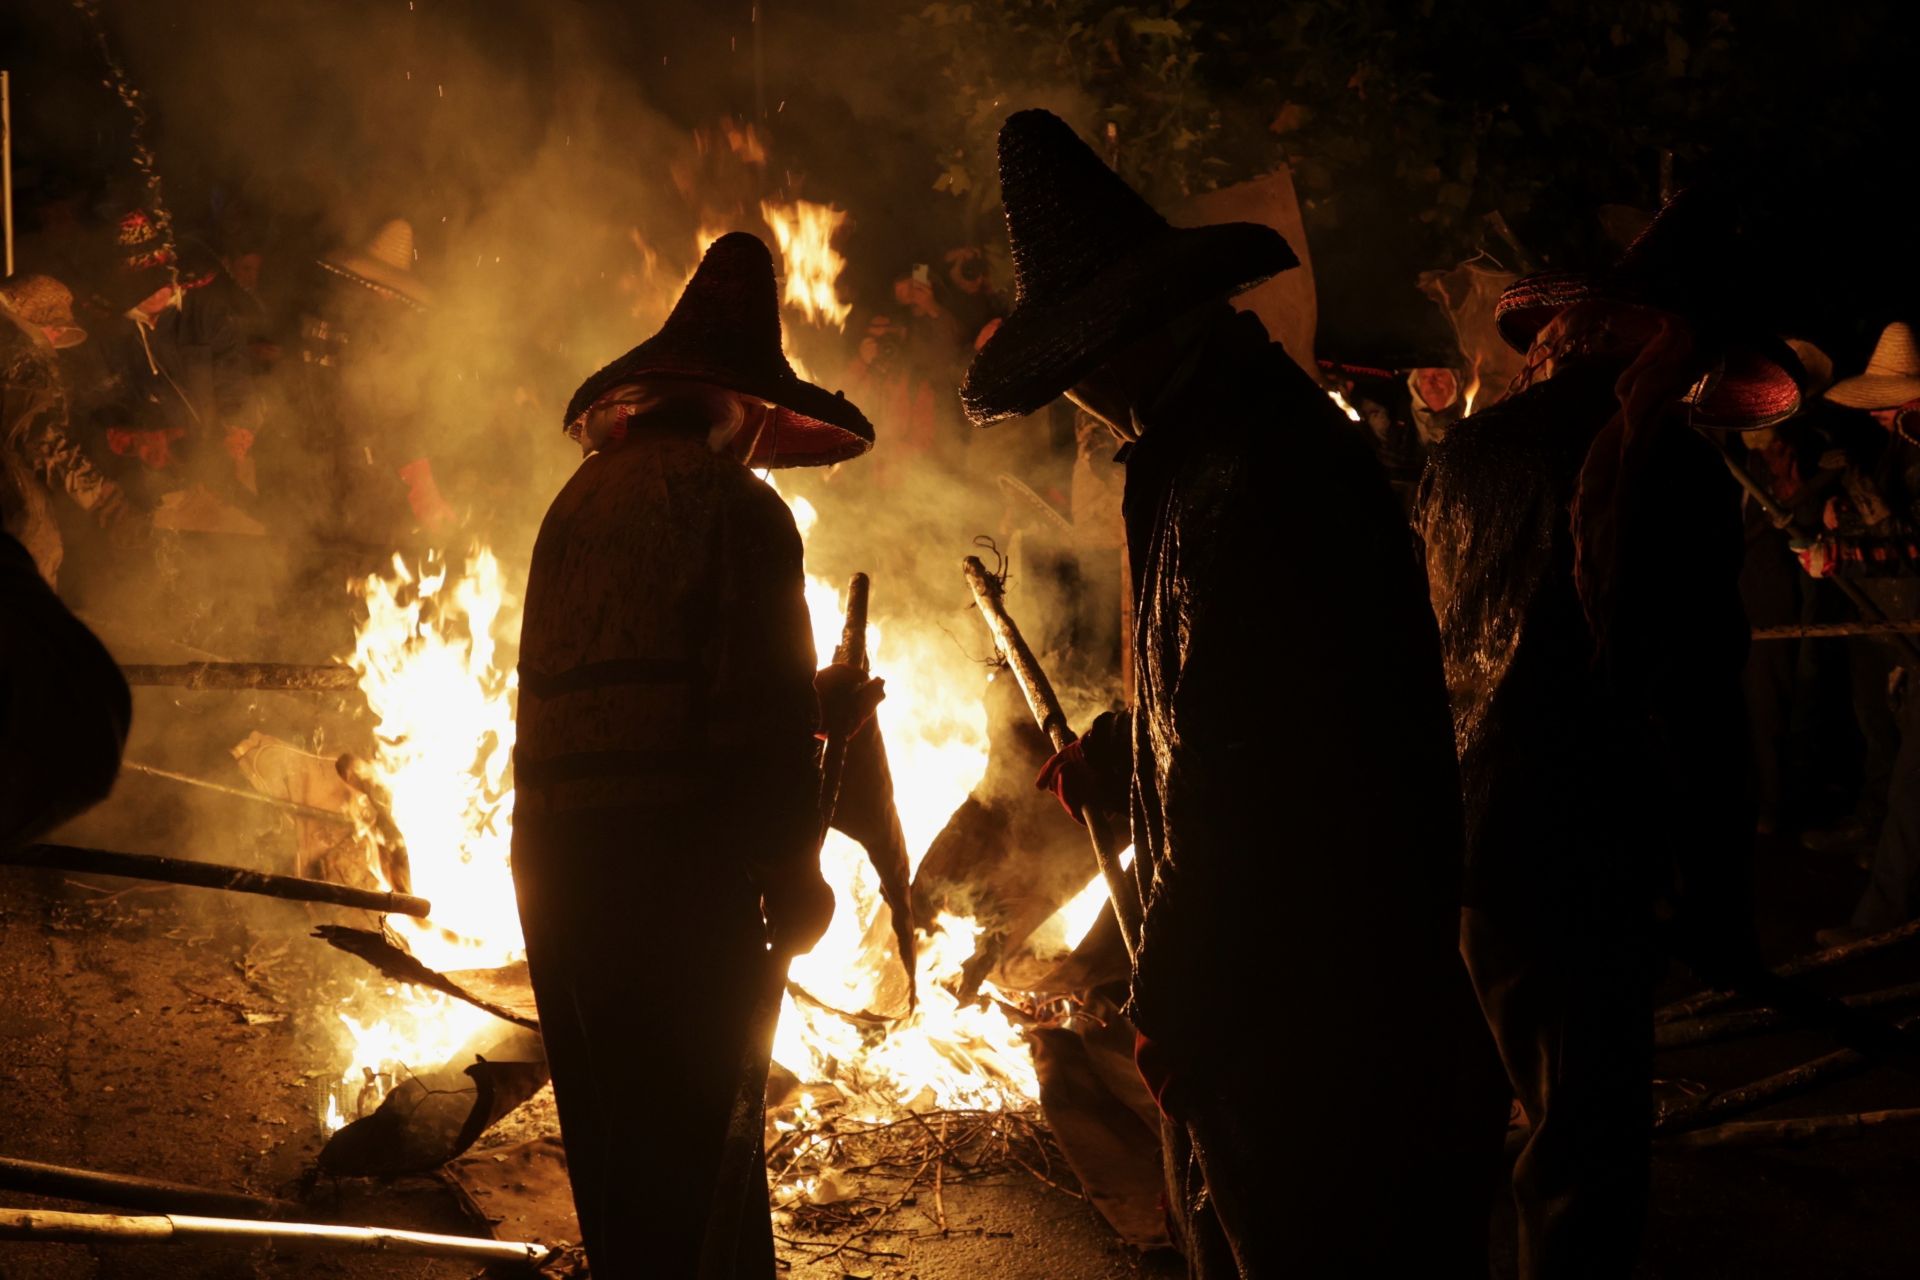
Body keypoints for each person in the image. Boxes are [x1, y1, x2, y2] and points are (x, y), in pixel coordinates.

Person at [961, 109, 1505, 1278]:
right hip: (1302, 1000)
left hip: (1318, 1020)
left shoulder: (1243, 472)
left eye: (1079, 366)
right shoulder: (1224, 444)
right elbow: (1227, 696)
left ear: (1122, 339)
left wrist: (1178, 997)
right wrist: (1121, 747)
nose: (1081, 397)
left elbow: (1248, 770)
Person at [1415, 192, 1803, 1278]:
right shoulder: (1665, 470)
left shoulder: (1469, 453)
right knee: (1580, 1152)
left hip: (1459, 845)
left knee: (1462, 1133)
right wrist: (1720, 898)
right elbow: (1696, 698)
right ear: (1659, 338)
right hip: (1576, 854)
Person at [511, 232, 878, 1278]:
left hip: (551, 863)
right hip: (671, 877)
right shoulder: (743, 511)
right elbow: (753, 721)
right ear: (751, 411)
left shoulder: (571, 503)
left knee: (615, 1157)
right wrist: (793, 871)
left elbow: (629, 683)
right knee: (701, 1166)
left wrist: (818, 713)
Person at [1798, 322, 1920, 940]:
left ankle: (1880, 919)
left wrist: (1841, 556)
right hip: (1907, 634)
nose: (1877, 417)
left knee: (1913, 784)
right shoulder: (1902, 449)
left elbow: (1914, 545)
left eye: (1886, 406)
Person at [2, 273, 144, 583]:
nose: (56, 339)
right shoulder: (23, 358)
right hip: (6, 486)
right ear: (37, 321)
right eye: (55, 329)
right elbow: (43, 440)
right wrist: (106, 501)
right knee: (34, 557)